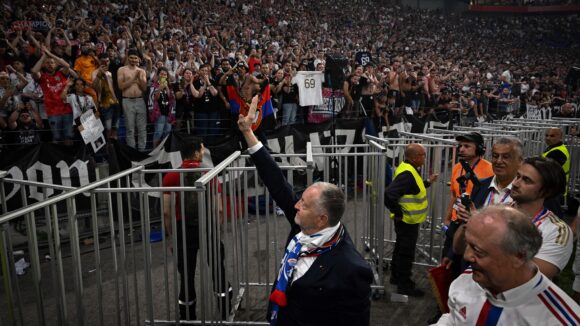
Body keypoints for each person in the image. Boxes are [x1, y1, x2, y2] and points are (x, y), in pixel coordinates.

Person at [238, 95, 373, 325]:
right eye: (300, 200)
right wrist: (248, 132)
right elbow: (277, 182)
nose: (296, 206)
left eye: (304, 204)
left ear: (322, 219)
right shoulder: (306, 224)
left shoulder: (351, 269)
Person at [433, 206, 579, 325]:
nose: (466, 256)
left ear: (518, 257)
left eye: (478, 251)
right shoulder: (467, 280)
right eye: (468, 244)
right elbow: (453, 318)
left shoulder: (559, 320)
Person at [454, 156, 571, 279]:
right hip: (472, 293)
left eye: (526, 180)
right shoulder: (496, 211)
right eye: (518, 176)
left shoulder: (556, 231)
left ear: (546, 191)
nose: (515, 183)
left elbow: (531, 277)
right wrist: (468, 224)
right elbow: (459, 249)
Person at [162, 136, 229, 320]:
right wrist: (217, 230)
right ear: (198, 152)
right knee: (218, 270)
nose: (203, 151)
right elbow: (219, 208)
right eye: (202, 149)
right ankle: (225, 311)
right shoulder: (209, 174)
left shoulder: (171, 175)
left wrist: (171, 236)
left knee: (187, 275)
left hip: (183, 230)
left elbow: (166, 212)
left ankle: (188, 316)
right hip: (207, 227)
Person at [385, 143, 439, 297]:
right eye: (423, 154)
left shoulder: (408, 168)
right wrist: (398, 212)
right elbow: (389, 194)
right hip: (407, 220)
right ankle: (404, 285)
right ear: (414, 157)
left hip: (407, 220)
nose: (424, 157)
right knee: (406, 253)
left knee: (401, 248)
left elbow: (412, 187)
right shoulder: (408, 173)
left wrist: (428, 182)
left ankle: (396, 277)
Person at [117, 49, 147, 151]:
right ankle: (132, 152)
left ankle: (142, 152)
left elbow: (144, 88)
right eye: (131, 57)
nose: (133, 60)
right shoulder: (122, 70)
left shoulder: (142, 71)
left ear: (138, 59)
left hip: (140, 100)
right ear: (128, 57)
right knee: (130, 129)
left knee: (142, 129)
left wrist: (140, 80)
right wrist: (134, 77)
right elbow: (121, 86)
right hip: (127, 101)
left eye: (135, 58)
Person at [542, 127, 570, 196]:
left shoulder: (558, 152)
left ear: (560, 137)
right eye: (546, 135)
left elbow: (544, 170)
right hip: (553, 188)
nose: (548, 138)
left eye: (552, 136)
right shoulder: (554, 147)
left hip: (554, 191)